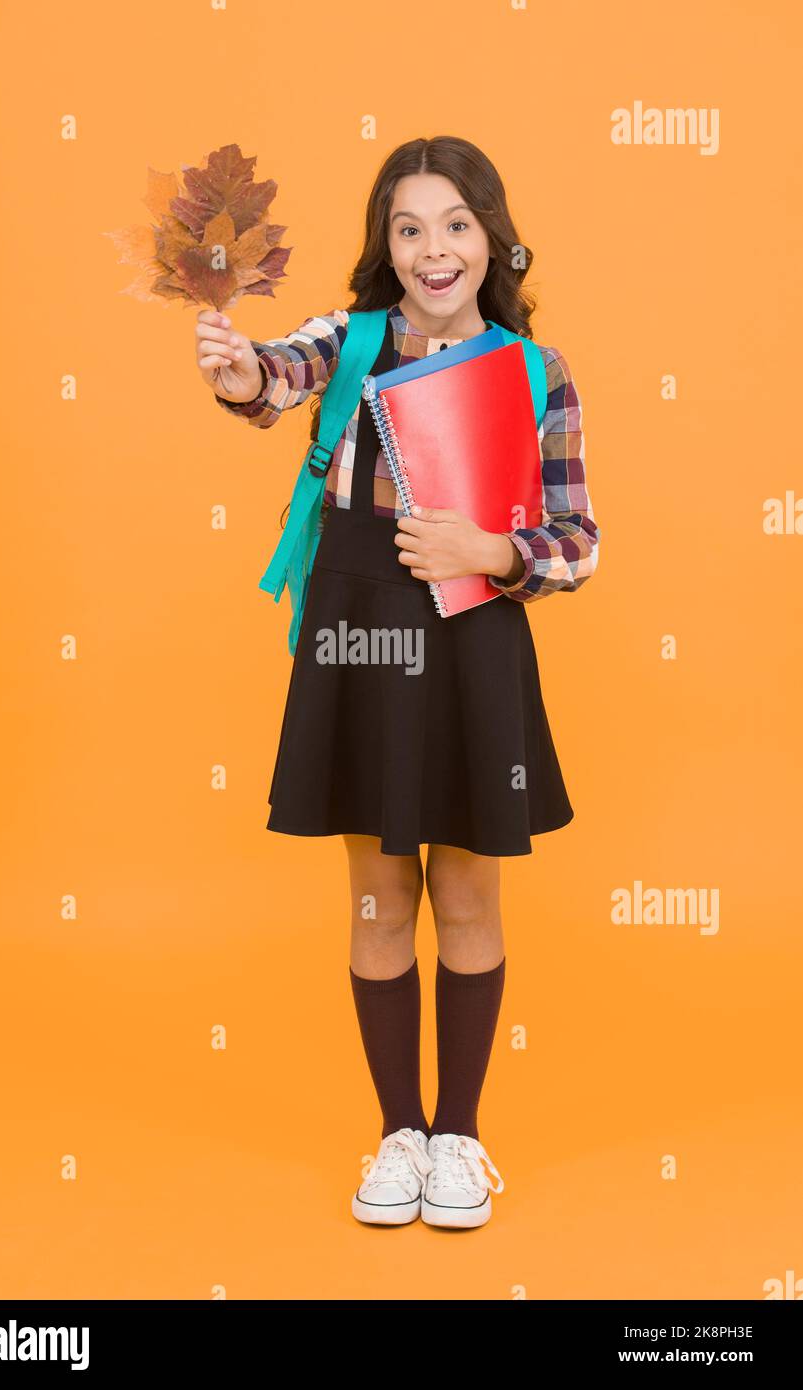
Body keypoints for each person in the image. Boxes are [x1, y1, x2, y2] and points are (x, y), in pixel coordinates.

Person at [196, 135, 600, 1230]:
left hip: (475, 637)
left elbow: (577, 538)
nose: (433, 249)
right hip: (359, 631)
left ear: (493, 239)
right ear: (385, 244)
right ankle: (397, 1136)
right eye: (408, 227)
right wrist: (242, 373)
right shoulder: (354, 340)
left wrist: (491, 553)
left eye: (455, 224)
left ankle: (460, 1138)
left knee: (467, 891)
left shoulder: (534, 370)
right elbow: (277, 374)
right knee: (379, 894)